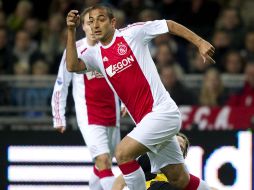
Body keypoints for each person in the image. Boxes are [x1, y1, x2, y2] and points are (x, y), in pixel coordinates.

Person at [65, 4, 215, 190]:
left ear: (113, 22)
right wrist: (71, 31)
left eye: (101, 19)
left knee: (122, 153)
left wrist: (199, 42)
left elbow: (168, 24)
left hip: (162, 113)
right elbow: (72, 66)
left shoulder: (132, 34)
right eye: (91, 21)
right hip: (147, 123)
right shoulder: (95, 55)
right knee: (180, 180)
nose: (95, 24)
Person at [51, 8, 121, 190]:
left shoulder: (110, 48)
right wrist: (58, 116)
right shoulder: (75, 50)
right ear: (82, 26)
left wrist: (126, 103)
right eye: (88, 22)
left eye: (96, 22)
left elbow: (122, 78)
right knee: (103, 160)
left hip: (113, 115)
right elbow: (61, 83)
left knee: (102, 165)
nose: (93, 26)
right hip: (89, 116)